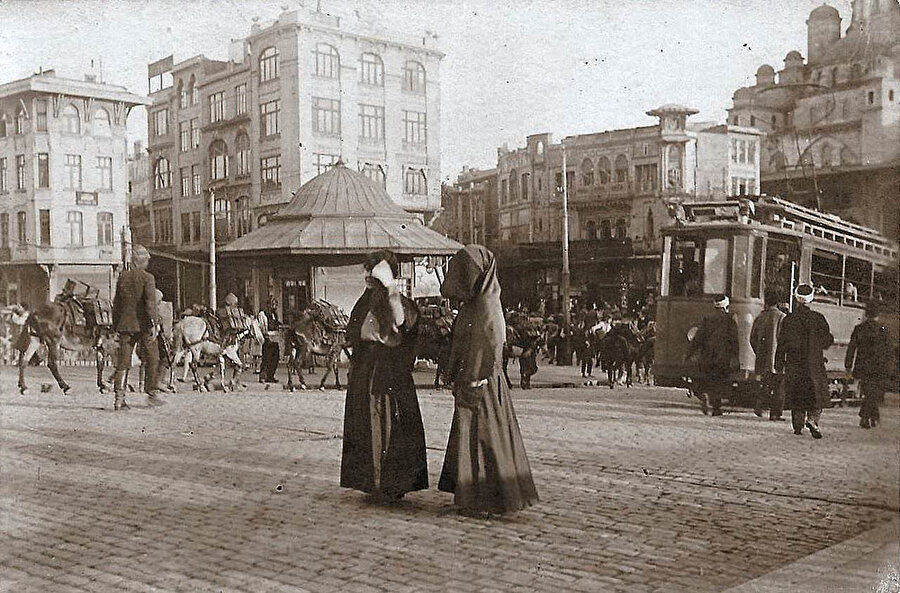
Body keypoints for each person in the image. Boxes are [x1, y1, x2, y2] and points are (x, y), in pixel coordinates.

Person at [438, 245, 538, 515]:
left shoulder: (486, 304)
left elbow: (491, 341)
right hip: (475, 378)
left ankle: (487, 497)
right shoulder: (477, 302)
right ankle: (475, 495)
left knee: (482, 437)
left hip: (480, 380)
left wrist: (473, 376)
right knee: (476, 436)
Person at [340, 250, 427, 502]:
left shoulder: (398, 301)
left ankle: (390, 483)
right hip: (365, 373)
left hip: (389, 376)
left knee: (387, 425)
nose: (367, 275)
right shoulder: (364, 302)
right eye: (366, 270)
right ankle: (372, 482)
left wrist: (390, 286)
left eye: (372, 270)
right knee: (367, 426)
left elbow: (402, 322)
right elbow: (355, 332)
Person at [775, 283, 834, 438]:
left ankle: (798, 427)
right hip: (814, 363)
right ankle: (813, 420)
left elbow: (781, 344)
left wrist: (778, 363)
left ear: (796, 297)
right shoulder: (818, 318)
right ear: (811, 299)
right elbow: (827, 340)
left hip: (794, 364)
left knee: (797, 395)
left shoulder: (788, 320)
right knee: (816, 395)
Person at [112, 245, 161, 410]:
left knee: (123, 362)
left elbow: (116, 304)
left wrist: (115, 325)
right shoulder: (148, 278)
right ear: (142, 261)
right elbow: (150, 303)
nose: (148, 262)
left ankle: (119, 398)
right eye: (147, 260)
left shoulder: (122, 277)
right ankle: (151, 392)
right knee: (153, 357)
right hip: (143, 325)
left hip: (125, 325)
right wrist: (154, 323)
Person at [686, 294, 740, 416]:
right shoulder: (731, 318)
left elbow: (698, 339)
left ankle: (704, 395)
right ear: (726, 306)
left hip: (707, 356)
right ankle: (716, 408)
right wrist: (735, 356)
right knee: (720, 382)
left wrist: (689, 354)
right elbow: (734, 340)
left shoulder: (707, 319)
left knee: (710, 380)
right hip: (723, 357)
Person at [845, 302, 892, 429]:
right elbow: (889, 350)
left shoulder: (859, 328)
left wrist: (848, 365)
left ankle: (866, 417)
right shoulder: (882, 329)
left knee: (868, 392)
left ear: (866, 314)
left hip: (863, 366)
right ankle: (871, 417)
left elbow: (851, 348)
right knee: (873, 393)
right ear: (878, 315)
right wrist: (889, 367)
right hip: (879, 366)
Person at [750, 291, 786, 421]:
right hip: (778, 360)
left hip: (763, 358)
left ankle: (760, 403)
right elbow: (785, 340)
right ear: (777, 302)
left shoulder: (760, 317)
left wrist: (759, 351)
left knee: (765, 383)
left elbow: (752, 338)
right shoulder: (782, 317)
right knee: (779, 387)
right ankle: (775, 414)